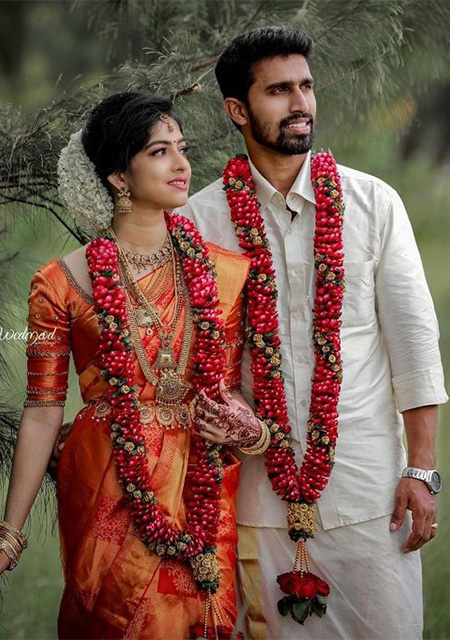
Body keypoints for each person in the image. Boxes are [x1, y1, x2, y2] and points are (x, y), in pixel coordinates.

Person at [179, 27, 448, 639]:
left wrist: (422, 471)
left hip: (370, 498)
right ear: (237, 110)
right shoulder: (199, 219)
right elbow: (193, 360)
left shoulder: (373, 202)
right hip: (256, 504)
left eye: (305, 86)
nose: (300, 102)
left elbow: (413, 344)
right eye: (279, 90)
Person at [0, 92, 271, 640]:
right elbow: (43, 410)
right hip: (109, 480)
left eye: (182, 148)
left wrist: (251, 432)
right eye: (159, 151)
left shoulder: (223, 272)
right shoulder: (60, 283)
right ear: (118, 176)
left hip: (200, 484)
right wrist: (9, 531)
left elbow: (225, 390)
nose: (181, 163)